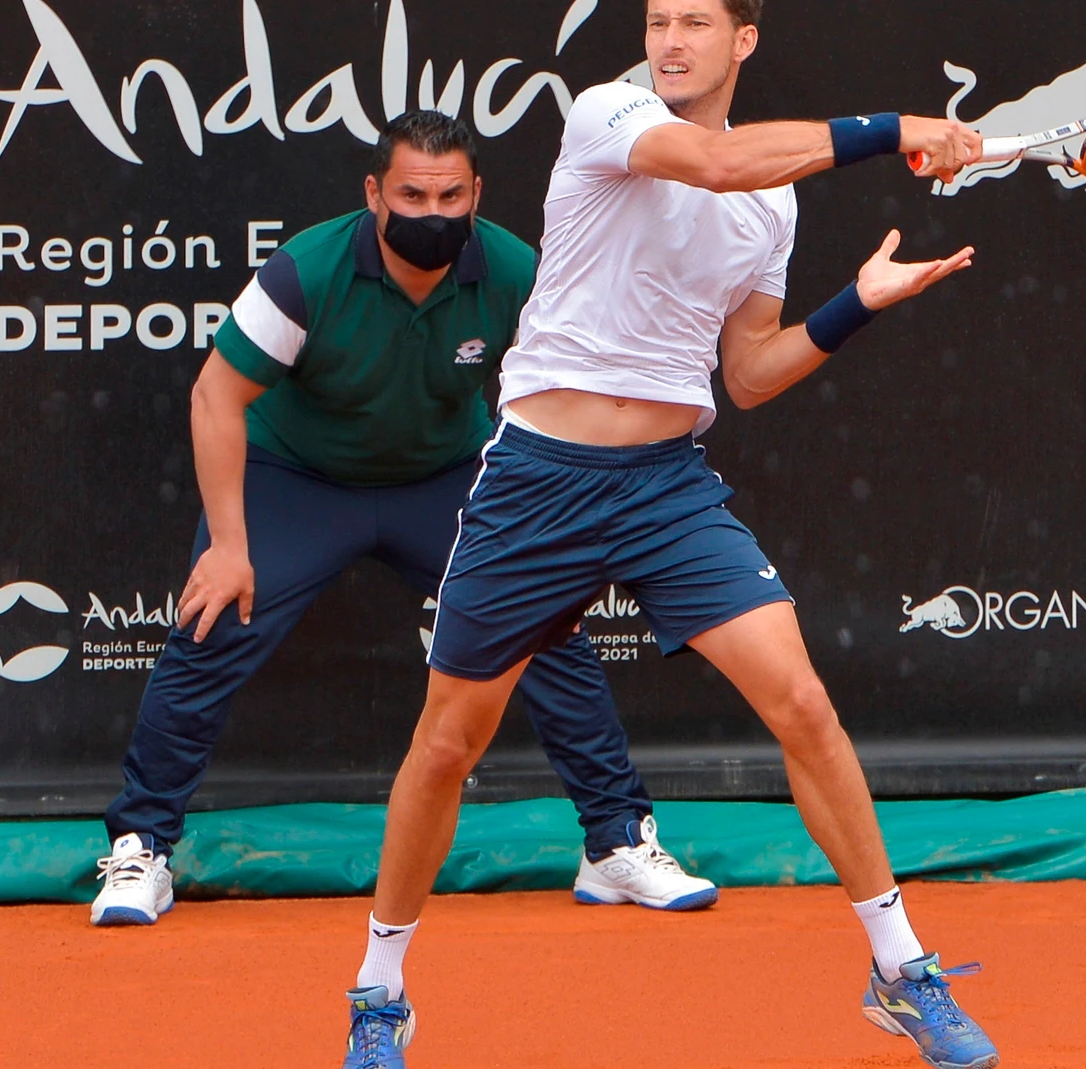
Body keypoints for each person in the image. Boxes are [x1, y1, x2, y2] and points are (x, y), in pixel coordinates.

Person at [338, 4, 999, 1069]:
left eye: (696, 21)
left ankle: (899, 968)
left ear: (743, 39)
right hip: (537, 477)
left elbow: (746, 373)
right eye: (658, 20)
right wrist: (894, 129)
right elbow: (716, 163)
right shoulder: (610, 114)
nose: (671, 40)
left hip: (661, 484)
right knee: (447, 745)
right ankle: (379, 991)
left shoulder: (773, 204)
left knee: (801, 702)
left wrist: (857, 304)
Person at [90, 111, 718, 928]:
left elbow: (573, 392)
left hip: (446, 479)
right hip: (296, 478)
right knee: (211, 619)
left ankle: (615, 842)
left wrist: (569, 521)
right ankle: (142, 846)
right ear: (374, 193)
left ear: (477, 193)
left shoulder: (519, 271)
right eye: (412, 194)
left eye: (451, 194)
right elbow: (216, 395)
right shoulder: (305, 271)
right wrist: (232, 544)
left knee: (550, 624)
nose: (432, 212)